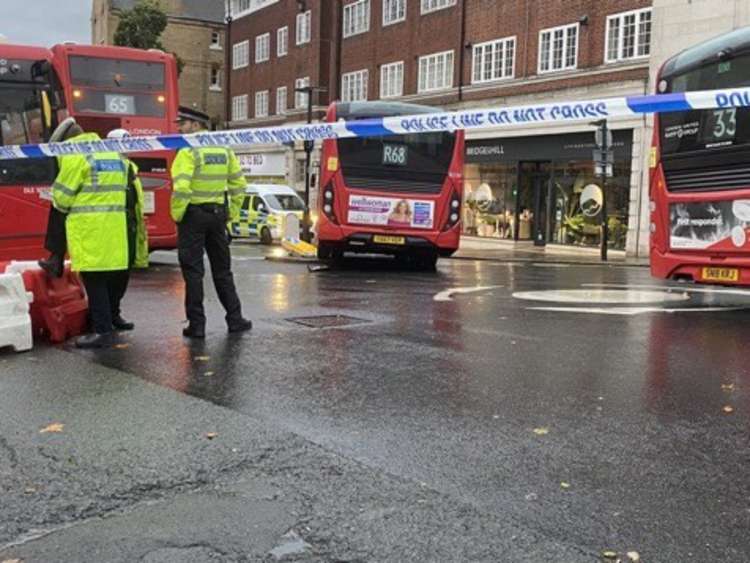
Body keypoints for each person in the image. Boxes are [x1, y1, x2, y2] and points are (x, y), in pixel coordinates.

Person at [48, 118, 136, 348]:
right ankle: (107, 323)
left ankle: (102, 331)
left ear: (66, 142)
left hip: (90, 229)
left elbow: (62, 197)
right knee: (107, 279)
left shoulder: (77, 155)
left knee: (94, 280)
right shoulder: (112, 153)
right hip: (115, 228)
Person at [170, 106, 252, 339]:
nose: (179, 128)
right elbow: (239, 185)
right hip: (217, 216)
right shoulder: (224, 148)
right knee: (223, 271)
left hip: (194, 215)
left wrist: (178, 214)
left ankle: (197, 325)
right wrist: (231, 213)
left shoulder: (188, 149)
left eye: (183, 124)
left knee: (193, 272)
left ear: (196, 125)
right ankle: (235, 319)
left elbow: (182, 187)